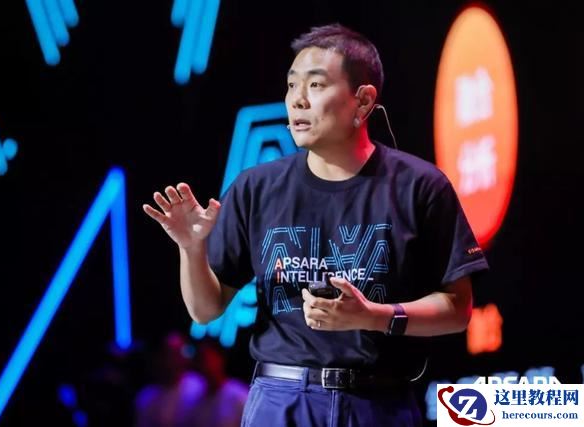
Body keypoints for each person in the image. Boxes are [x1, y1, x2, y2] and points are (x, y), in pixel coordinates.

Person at [143, 23, 488, 427]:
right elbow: (205, 310)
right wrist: (191, 248)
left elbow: (458, 309)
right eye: (292, 85)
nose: (297, 100)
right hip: (281, 400)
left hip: (381, 402)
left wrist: (372, 315)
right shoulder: (256, 188)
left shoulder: (420, 187)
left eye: (316, 85)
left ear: (363, 101)